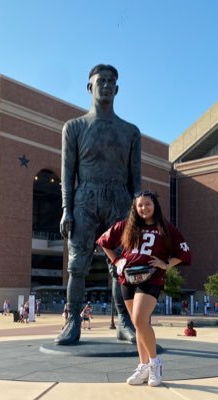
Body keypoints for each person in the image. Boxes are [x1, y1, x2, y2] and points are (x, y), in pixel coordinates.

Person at [55, 64, 141, 345]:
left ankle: (124, 322)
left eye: (110, 81)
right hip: (85, 199)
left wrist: (139, 216)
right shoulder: (74, 127)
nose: (105, 85)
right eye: (100, 80)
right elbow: (67, 174)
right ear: (89, 87)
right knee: (77, 265)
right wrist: (67, 209)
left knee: (121, 267)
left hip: (119, 200)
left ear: (116, 89)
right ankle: (73, 323)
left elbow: (136, 179)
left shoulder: (130, 132)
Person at [96, 190, 191, 386]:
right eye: (140, 205)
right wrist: (117, 261)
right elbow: (103, 241)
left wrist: (166, 264)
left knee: (139, 319)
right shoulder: (126, 226)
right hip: (128, 278)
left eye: (147, 204)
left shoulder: (166, 228)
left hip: (151, 278)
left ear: (154, 205)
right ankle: (143, 366)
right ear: (135, 208)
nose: (144, 208)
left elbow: (184, 253)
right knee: (139, 324)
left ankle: (155, 363)